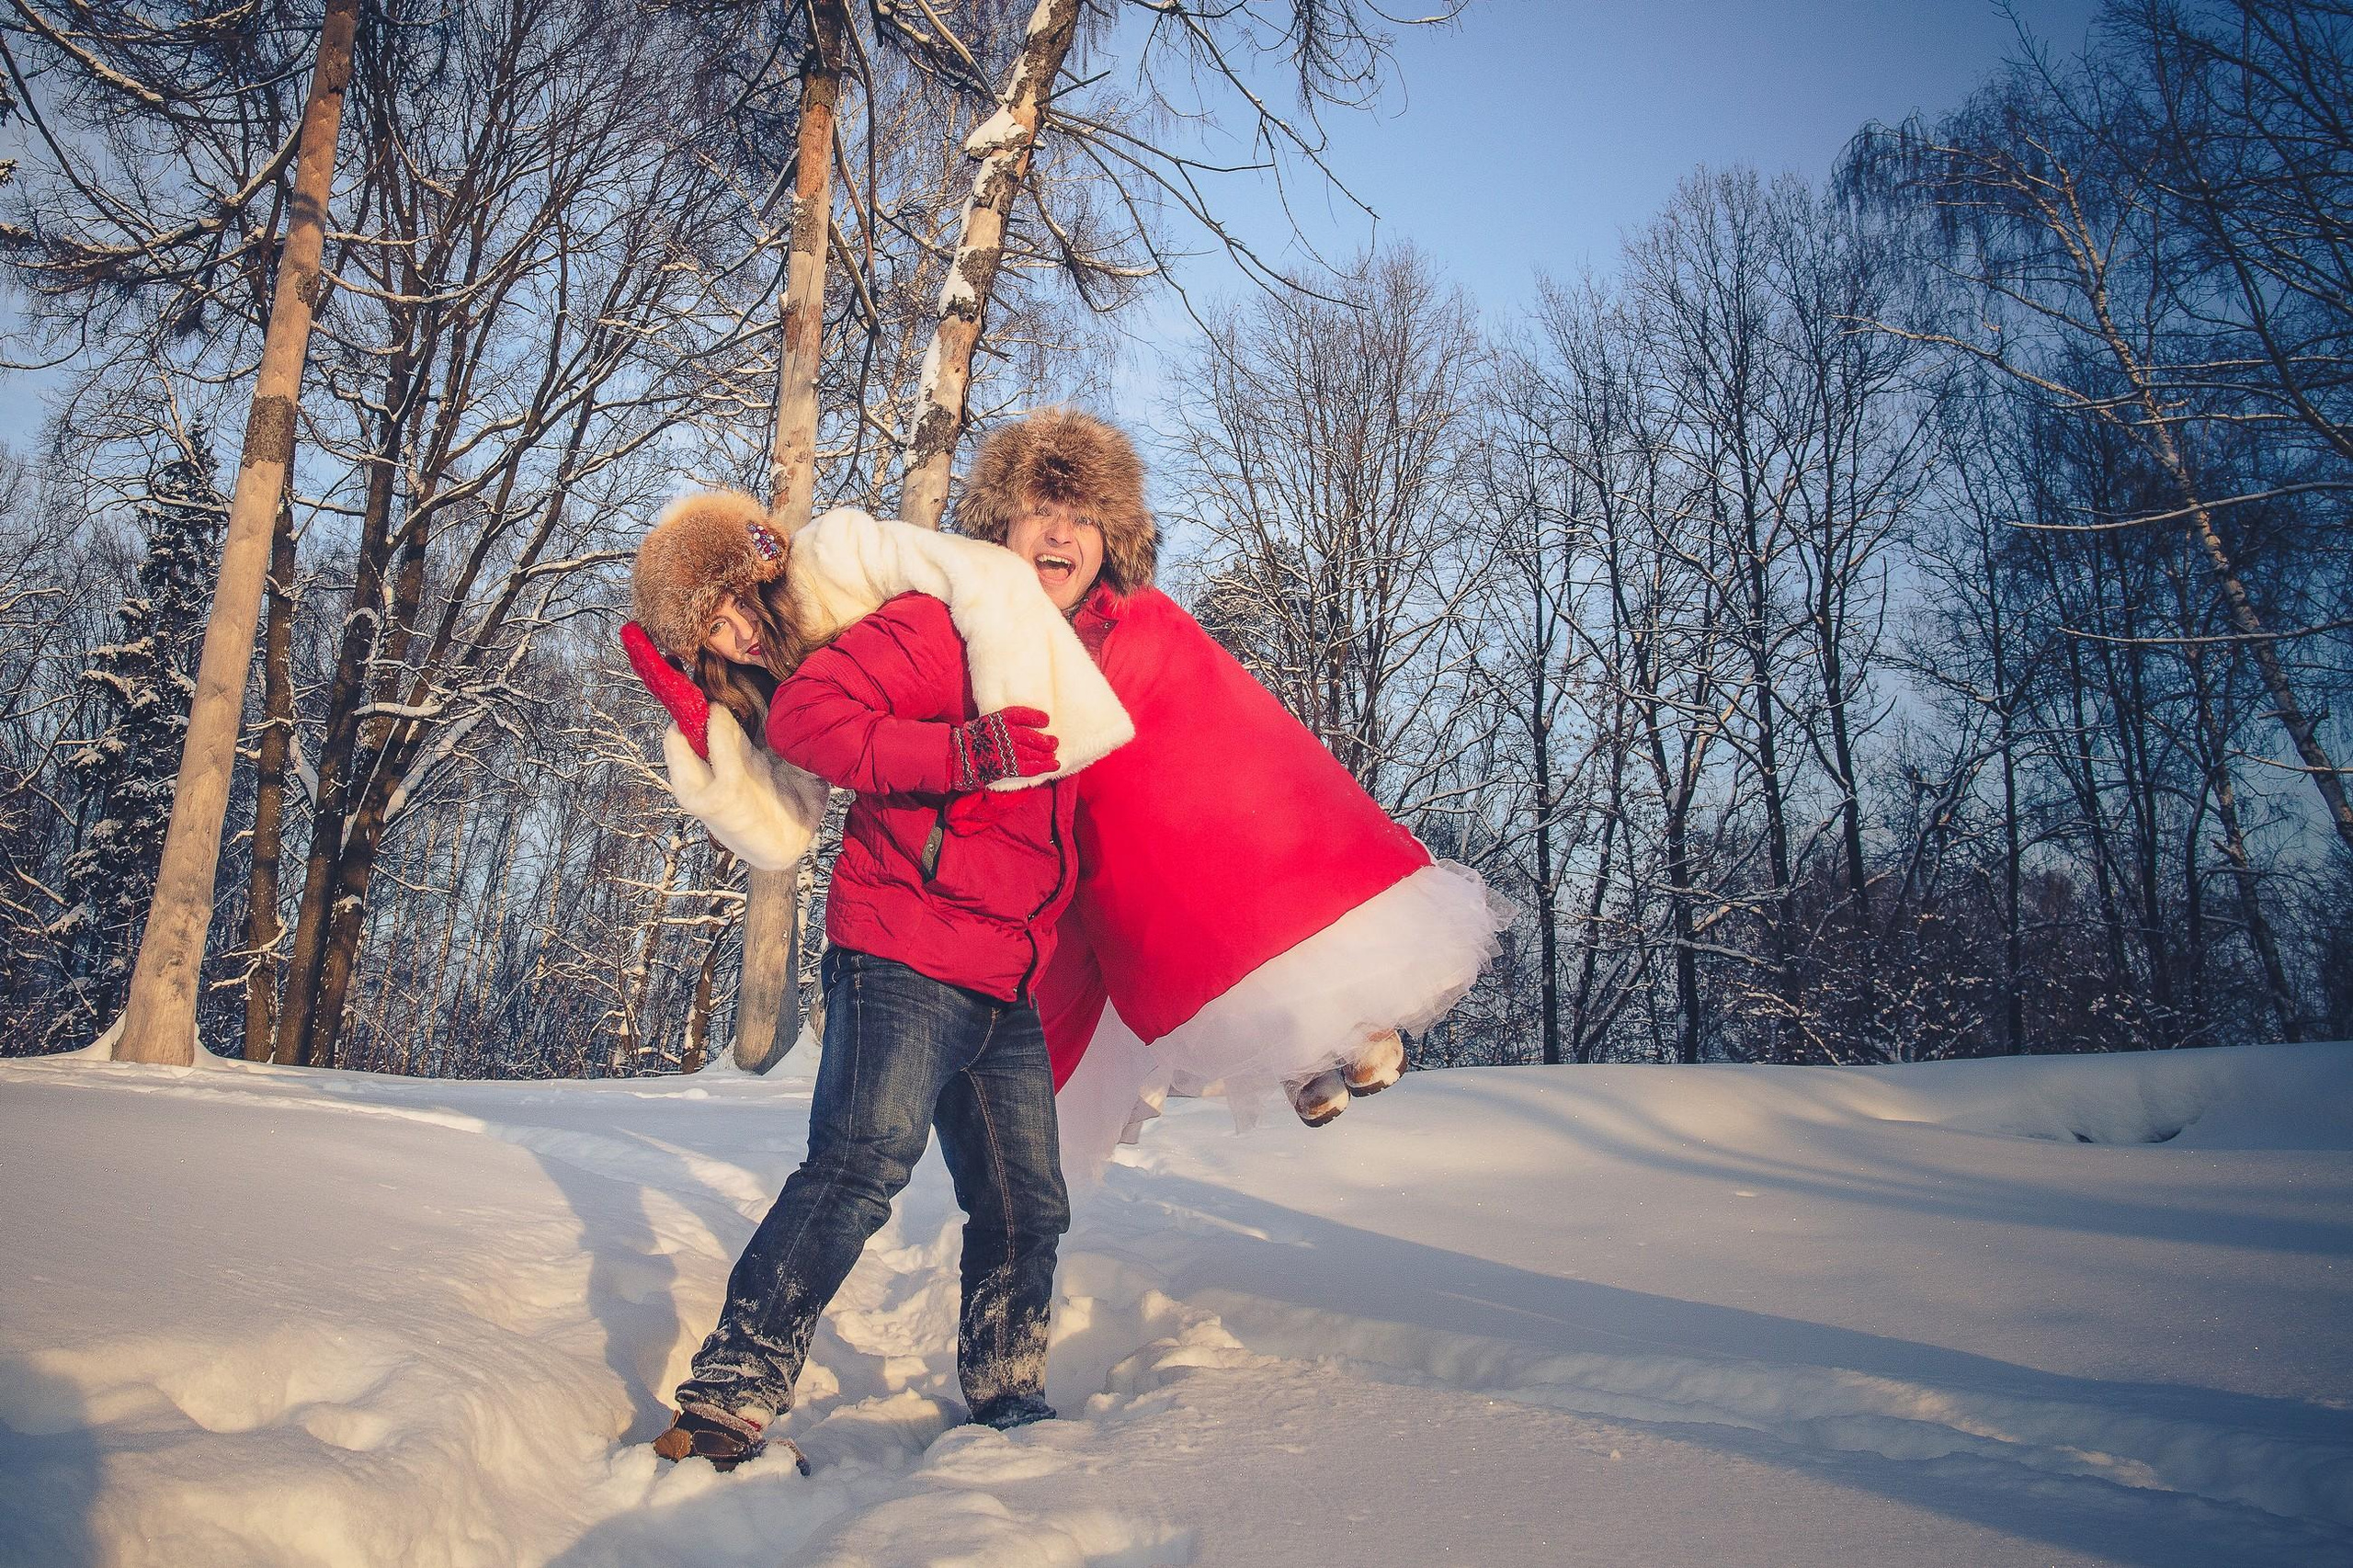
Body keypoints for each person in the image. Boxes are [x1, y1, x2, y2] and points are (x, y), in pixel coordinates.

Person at [623, 492, 1111, 1471]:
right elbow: (787, 795)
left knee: (1026, 1201)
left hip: (1000, 967)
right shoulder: (914, 629)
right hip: (901, 944)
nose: (740, 635)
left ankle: (1009, 1396)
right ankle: (726, 1401)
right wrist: (714, 745)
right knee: (857, 1165)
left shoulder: (921, 612)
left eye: (735, 609)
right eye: (715, 632)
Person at [954, 410, 1512, 1165]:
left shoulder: (1145, 620)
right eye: (1040, 512)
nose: (1060, 534)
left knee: (1245, 855)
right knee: (1159, 926)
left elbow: (1233, 729)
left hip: (1201, 811)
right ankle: (1295, 1056)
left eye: (1082, 517)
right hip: (1102, 850)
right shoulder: (964, 628)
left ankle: (1340, 1031)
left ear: (1111, 540)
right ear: (999, 529)